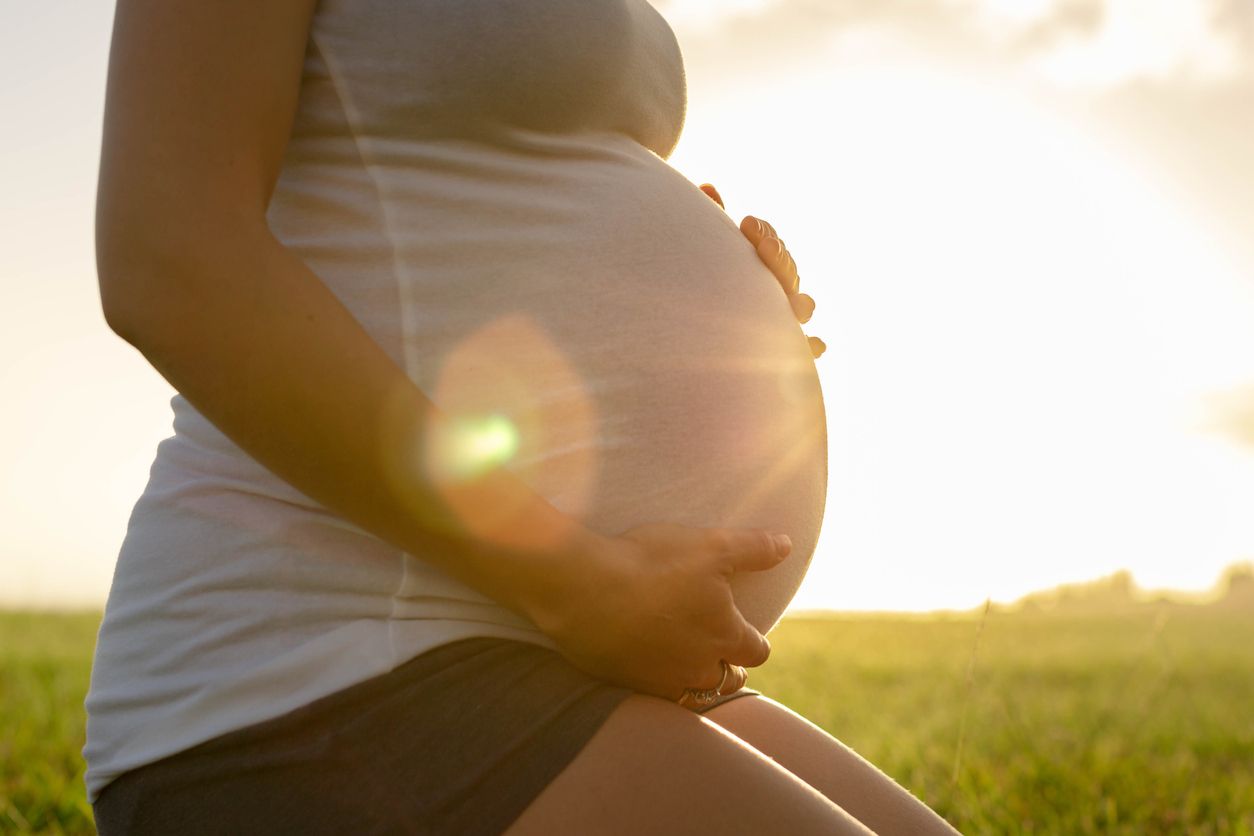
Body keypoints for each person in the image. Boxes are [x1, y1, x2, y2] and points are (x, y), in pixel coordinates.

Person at [84, 1, 959, 833]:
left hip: (540, 650)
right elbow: (172, 260)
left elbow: (464, 230)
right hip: (313, 675)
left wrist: (701, 320)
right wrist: (576, 580)